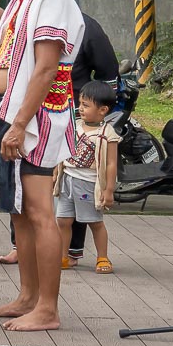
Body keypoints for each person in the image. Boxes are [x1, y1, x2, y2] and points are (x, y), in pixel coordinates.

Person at [0, 0, 84, 332]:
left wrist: (19, 123)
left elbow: (45, 69)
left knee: (40, 210)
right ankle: (27, 296)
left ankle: (48, 307)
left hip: (37, 116)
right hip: (14, 114)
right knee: (20, 211)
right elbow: (7, 61)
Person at [56, 81, 119, 274]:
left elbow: (111, 164)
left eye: (86, 105)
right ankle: (62, 256)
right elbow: (62, 152)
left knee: (94, 222)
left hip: (89, 184)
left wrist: (108, 190)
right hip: (67, 180)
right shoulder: (74, 126)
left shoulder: (107, 134)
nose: (80, 108)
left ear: (103, 110)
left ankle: (102, 257)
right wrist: (55, 174)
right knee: (63, 220)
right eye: (80, 103)